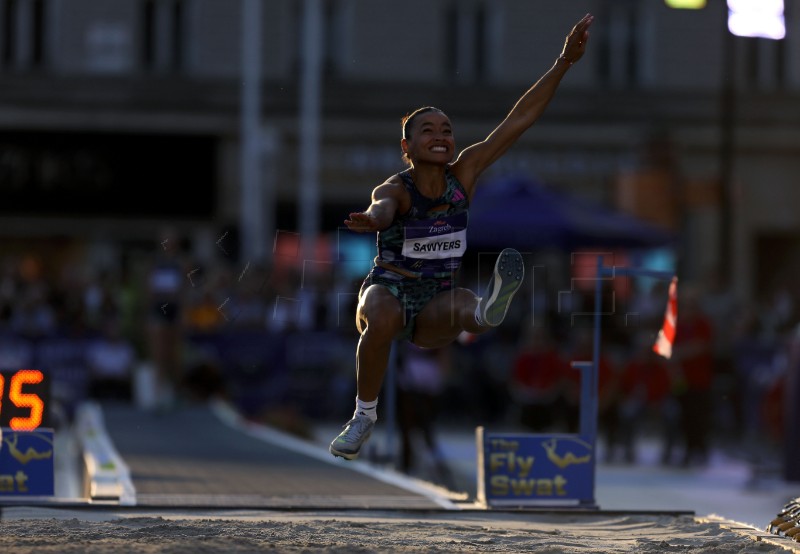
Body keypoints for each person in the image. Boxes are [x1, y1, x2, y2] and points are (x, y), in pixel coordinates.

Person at [329, 13, 595, 460]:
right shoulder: (395, 189)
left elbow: (518, 120)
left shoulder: (465, 173)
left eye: (447, 129)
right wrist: (375, 220)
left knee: (463, 303)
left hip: (435, 300)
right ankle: (364, 415)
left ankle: (488, 311)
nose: (441, 135)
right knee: (380, 309)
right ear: (407, 147)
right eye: (427, 130)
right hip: (390, 287)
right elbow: (382, 208)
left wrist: (563, 62)